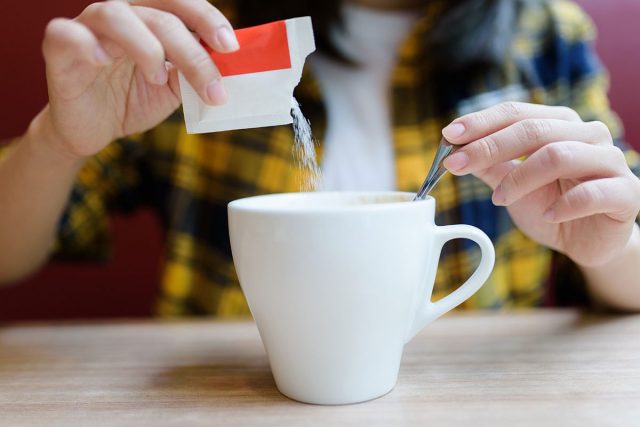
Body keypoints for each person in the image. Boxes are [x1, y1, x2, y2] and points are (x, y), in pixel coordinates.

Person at [0, 0, 639, 316]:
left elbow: (623, 248)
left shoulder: (546, 33)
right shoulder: (194, 39)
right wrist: (57, 141)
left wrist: (611, 247)